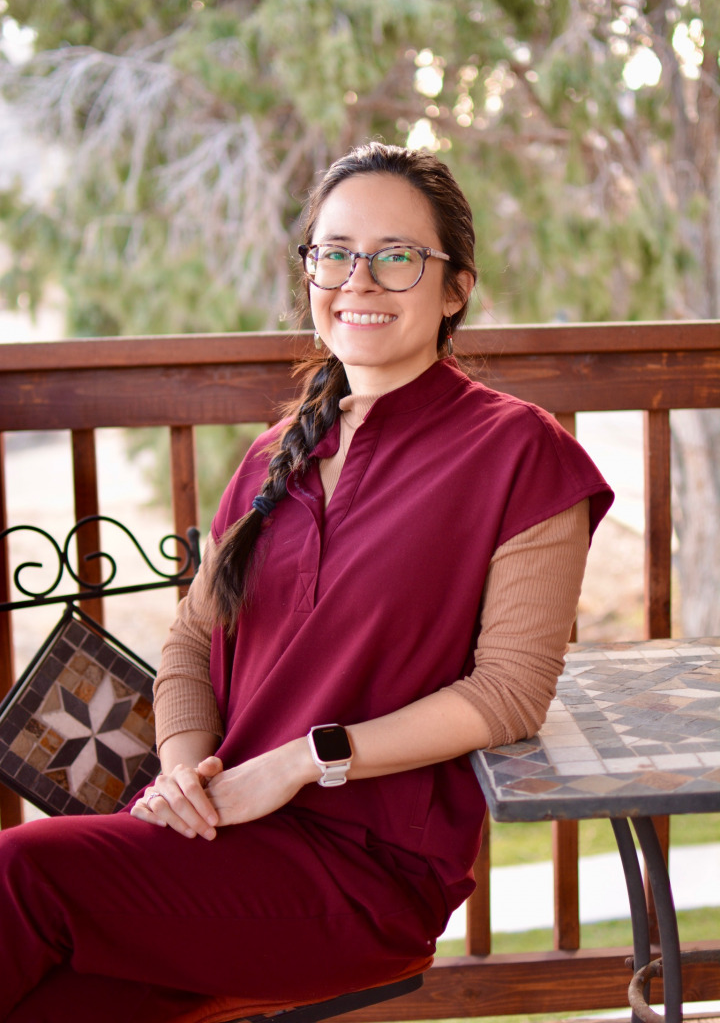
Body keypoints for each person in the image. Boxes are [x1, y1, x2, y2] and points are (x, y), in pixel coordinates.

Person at [0, 142, 613, 1023]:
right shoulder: (273, 455)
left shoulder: (523, 453)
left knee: (21, 871)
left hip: (363, 873)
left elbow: (510, 693)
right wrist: (182, 772)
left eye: (397, 256)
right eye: (335, 253)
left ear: (455, 289)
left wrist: (301, 762)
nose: (358, 280)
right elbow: (191, 643)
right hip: (214, 837)